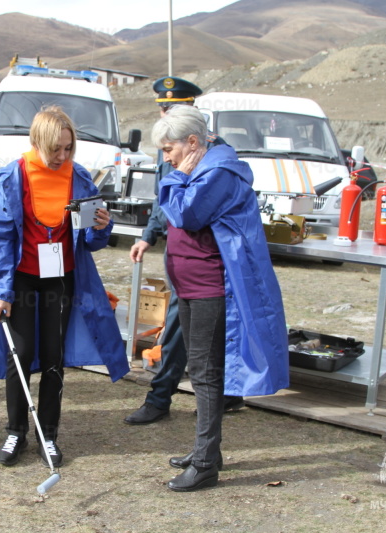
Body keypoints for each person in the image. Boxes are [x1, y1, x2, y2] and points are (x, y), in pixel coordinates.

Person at [0, 105, 129, 468]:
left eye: (68, 148)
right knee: (21, 355)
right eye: (55, 149)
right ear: (37, 143)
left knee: (54, 357)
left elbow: (91, 240)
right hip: (22, 280)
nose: (62, 156)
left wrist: (101, 226)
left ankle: (50, 434)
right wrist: (0, 290)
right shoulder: (13, 177)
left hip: (61, 279)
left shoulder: (79, 178)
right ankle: (16, 431)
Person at [152, 105, 288, 491]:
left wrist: (176, 175)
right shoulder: (204, 168)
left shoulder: (219, 173)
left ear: (192, 142)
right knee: (200, 371)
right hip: (192, 286)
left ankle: (206, 463)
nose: (166, 158)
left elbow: (186, 214)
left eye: (169, 150)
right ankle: (206, 451)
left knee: (206, 374)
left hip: (211, 287)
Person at [124, 76, 245, 426]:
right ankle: (218, 394)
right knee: (190, 329)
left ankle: (164, 396)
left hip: (203, 261)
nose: (165, 113)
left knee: (187, 328)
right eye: (162, 108)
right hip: (180, 256)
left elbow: (188, 206)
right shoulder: (174, 144)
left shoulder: (214, 154)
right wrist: (149, 235)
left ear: (191, 109)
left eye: (172, 107)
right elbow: (166, 196)